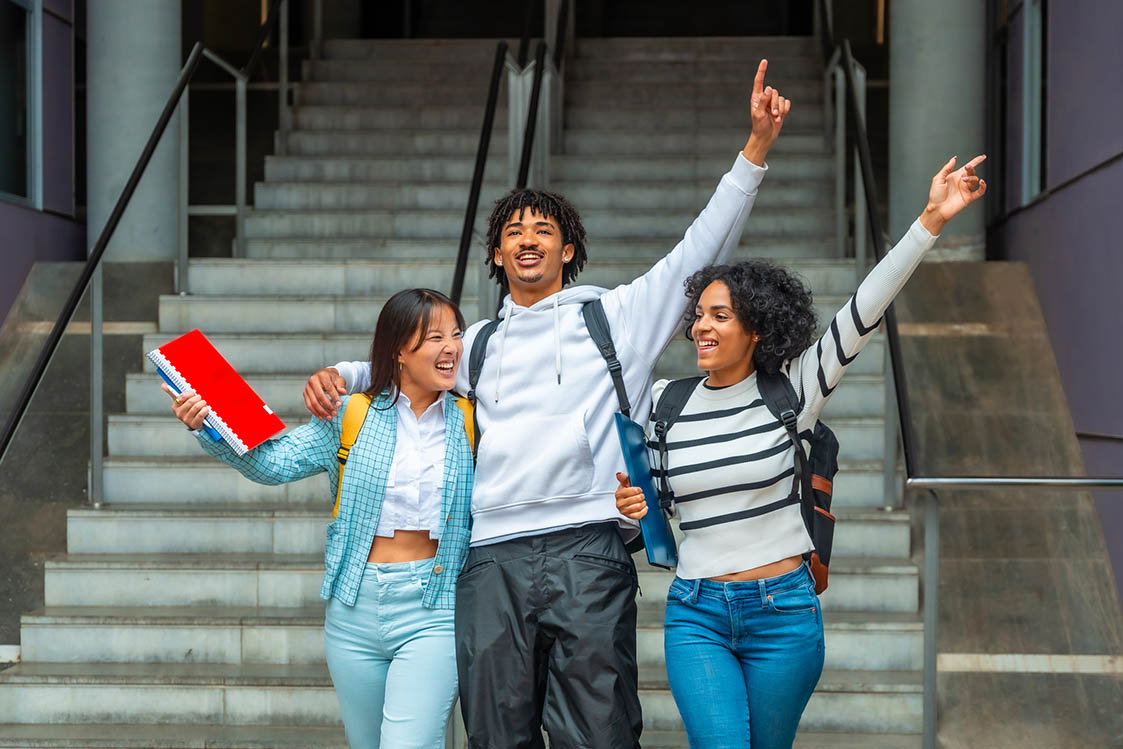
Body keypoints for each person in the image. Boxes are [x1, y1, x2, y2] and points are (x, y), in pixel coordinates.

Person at [302, 61, 792, 748]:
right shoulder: (473, 344)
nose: (527, 238)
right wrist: (343, 374)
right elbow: (410, 360)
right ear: (497, 256)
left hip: (587, 548)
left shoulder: (617, 316)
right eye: (512, 231)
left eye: (543, 229)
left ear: (568, 248)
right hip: (489, 557)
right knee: (496, 734)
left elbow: (699, 247)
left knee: (599, 730)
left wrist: (754, 150)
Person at [613, 155, 987, 747]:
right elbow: (655, 505)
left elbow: (864, 311)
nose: (701, 328)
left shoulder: (793, 388)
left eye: (720, 315)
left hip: (782, 613)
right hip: (696, 612)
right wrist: (633, 505)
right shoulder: (664, 402)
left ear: (756, 329)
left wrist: (929, 221)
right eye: (697, 316)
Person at [165, 288, 474, 749]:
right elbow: (274, 463)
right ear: (399, 352)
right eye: (434, 337)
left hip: (435, 606)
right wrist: (206, 427)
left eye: (456, 334)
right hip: (353, 607)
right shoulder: (351, 413)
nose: (450, 347)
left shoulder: (473, 419)